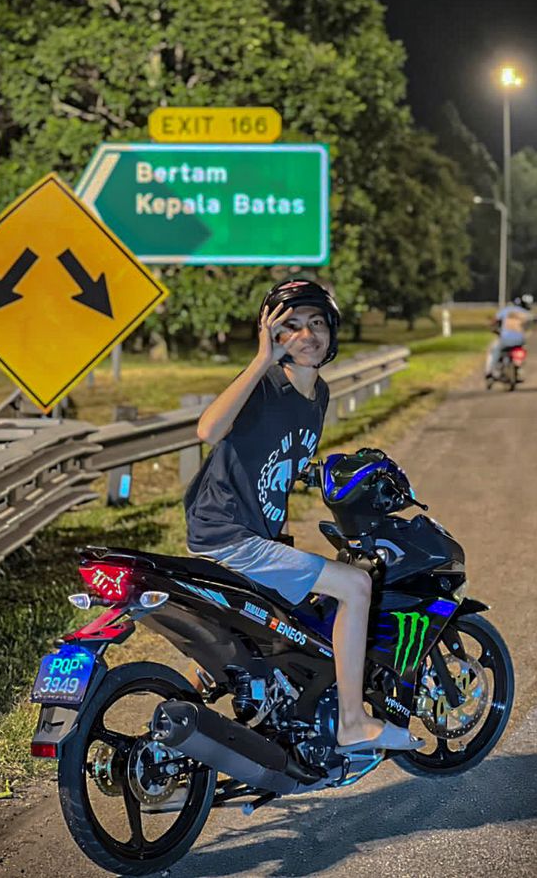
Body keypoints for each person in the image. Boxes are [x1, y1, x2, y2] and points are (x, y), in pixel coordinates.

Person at [183, 278, 423, 754]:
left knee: (284, 630)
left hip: (254, 535)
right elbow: (209, 430)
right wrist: (260, 360)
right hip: (228, 536)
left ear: (331, 332)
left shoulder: (318, 396)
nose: (307, 335)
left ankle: (187, 734)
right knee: (355, 586)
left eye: (316, 324)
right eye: (290, 326)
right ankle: (353, 722)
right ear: (271, 333)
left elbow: (278, 467)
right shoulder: (264, 383)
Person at [485, 295, 533, 383]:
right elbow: (529, 325)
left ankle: (490, 371)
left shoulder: (506, 310)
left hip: (505, 339)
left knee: (494, 350)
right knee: (521, 351)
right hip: (520, 340)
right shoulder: (525, 313)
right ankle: (518, 369)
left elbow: (494, 321)